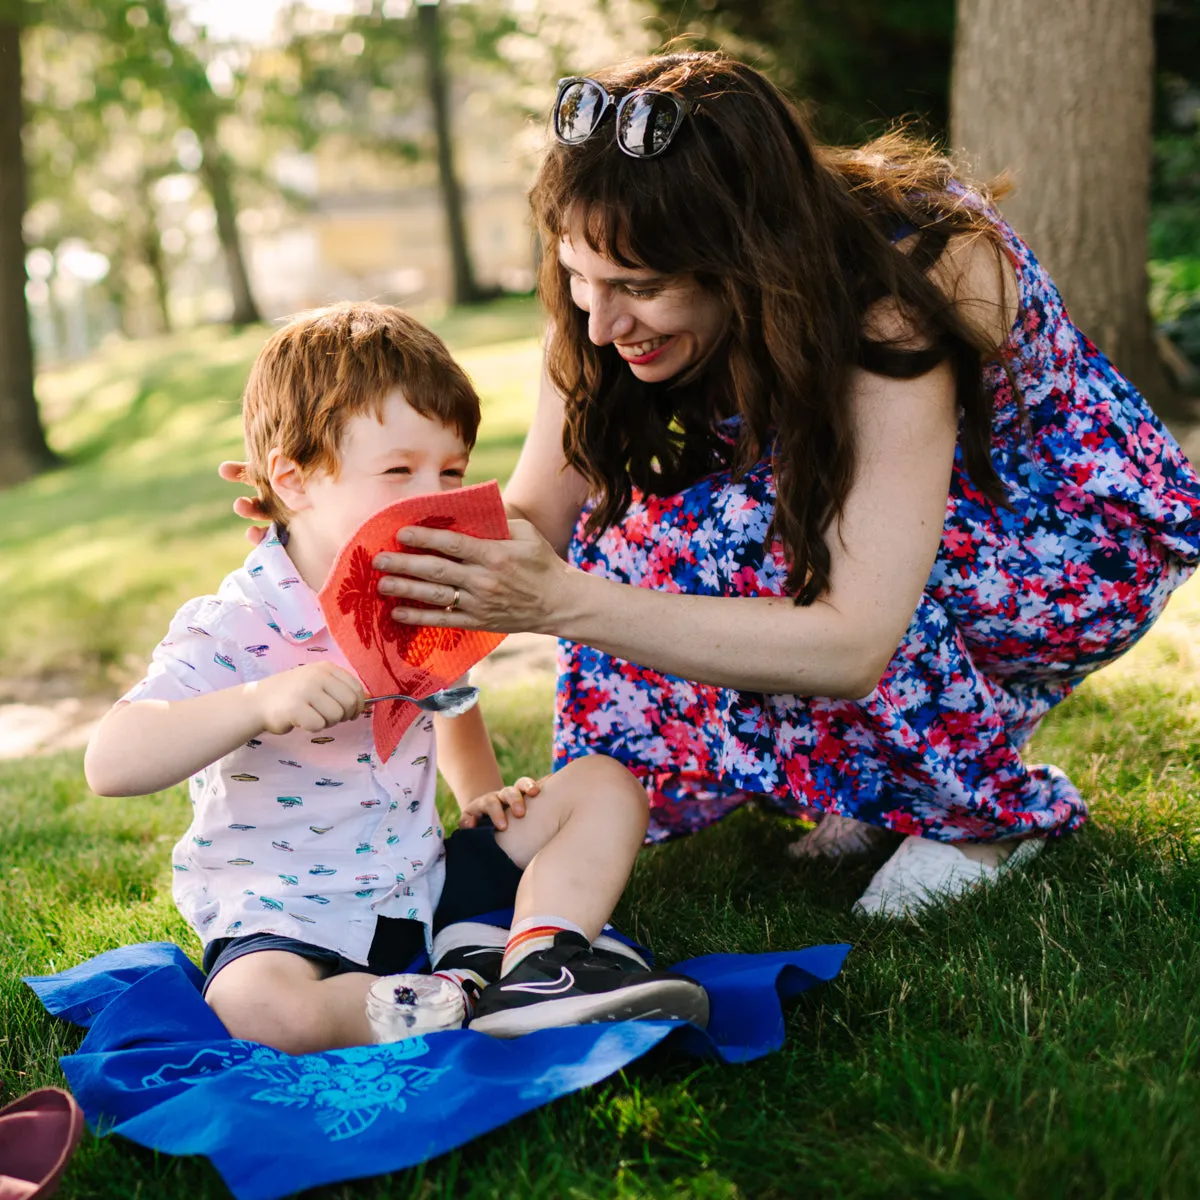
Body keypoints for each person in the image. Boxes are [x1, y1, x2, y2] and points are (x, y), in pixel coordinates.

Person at [228, 53, 1200, 919]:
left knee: (719, 539)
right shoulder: (605, 290)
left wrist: (569, 602)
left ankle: (979, 810)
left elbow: (856, 638)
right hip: (892, 525)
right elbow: (535, 516)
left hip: (1060, 548)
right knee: (648, 526)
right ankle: (869, 784)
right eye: (579, 276)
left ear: (747, 259)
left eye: (641, 287)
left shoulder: (909, 280)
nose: (602, 323)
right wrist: (341, 532)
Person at [85, 302, 709, 1055]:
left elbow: (448, 699)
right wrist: (257, 702)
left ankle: (543, 960)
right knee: (260, 1008)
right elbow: (110, 761)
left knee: (605, 786)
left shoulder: (417, 592)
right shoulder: (234, 627)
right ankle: (456, 1001)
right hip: (290, 918)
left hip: (425, 884)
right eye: (399, 471)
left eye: (449, 470)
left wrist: (480, 799)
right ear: (295, 477)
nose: (434, 495)